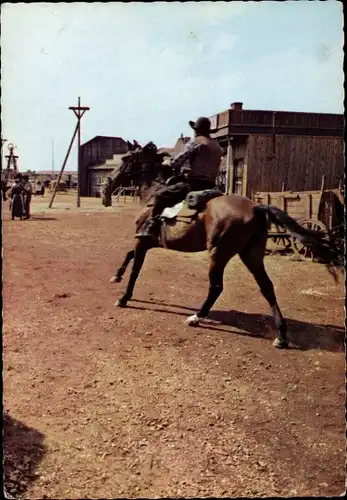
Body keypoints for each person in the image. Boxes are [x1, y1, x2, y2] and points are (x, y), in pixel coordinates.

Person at [136, 116, 223, 239]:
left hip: (194, 184)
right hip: (211, 185)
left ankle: (151, 227)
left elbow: (178, 160)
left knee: (160, 196)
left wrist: (168, 161)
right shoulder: (217, 145)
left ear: (196, 130)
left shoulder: (196, 141)